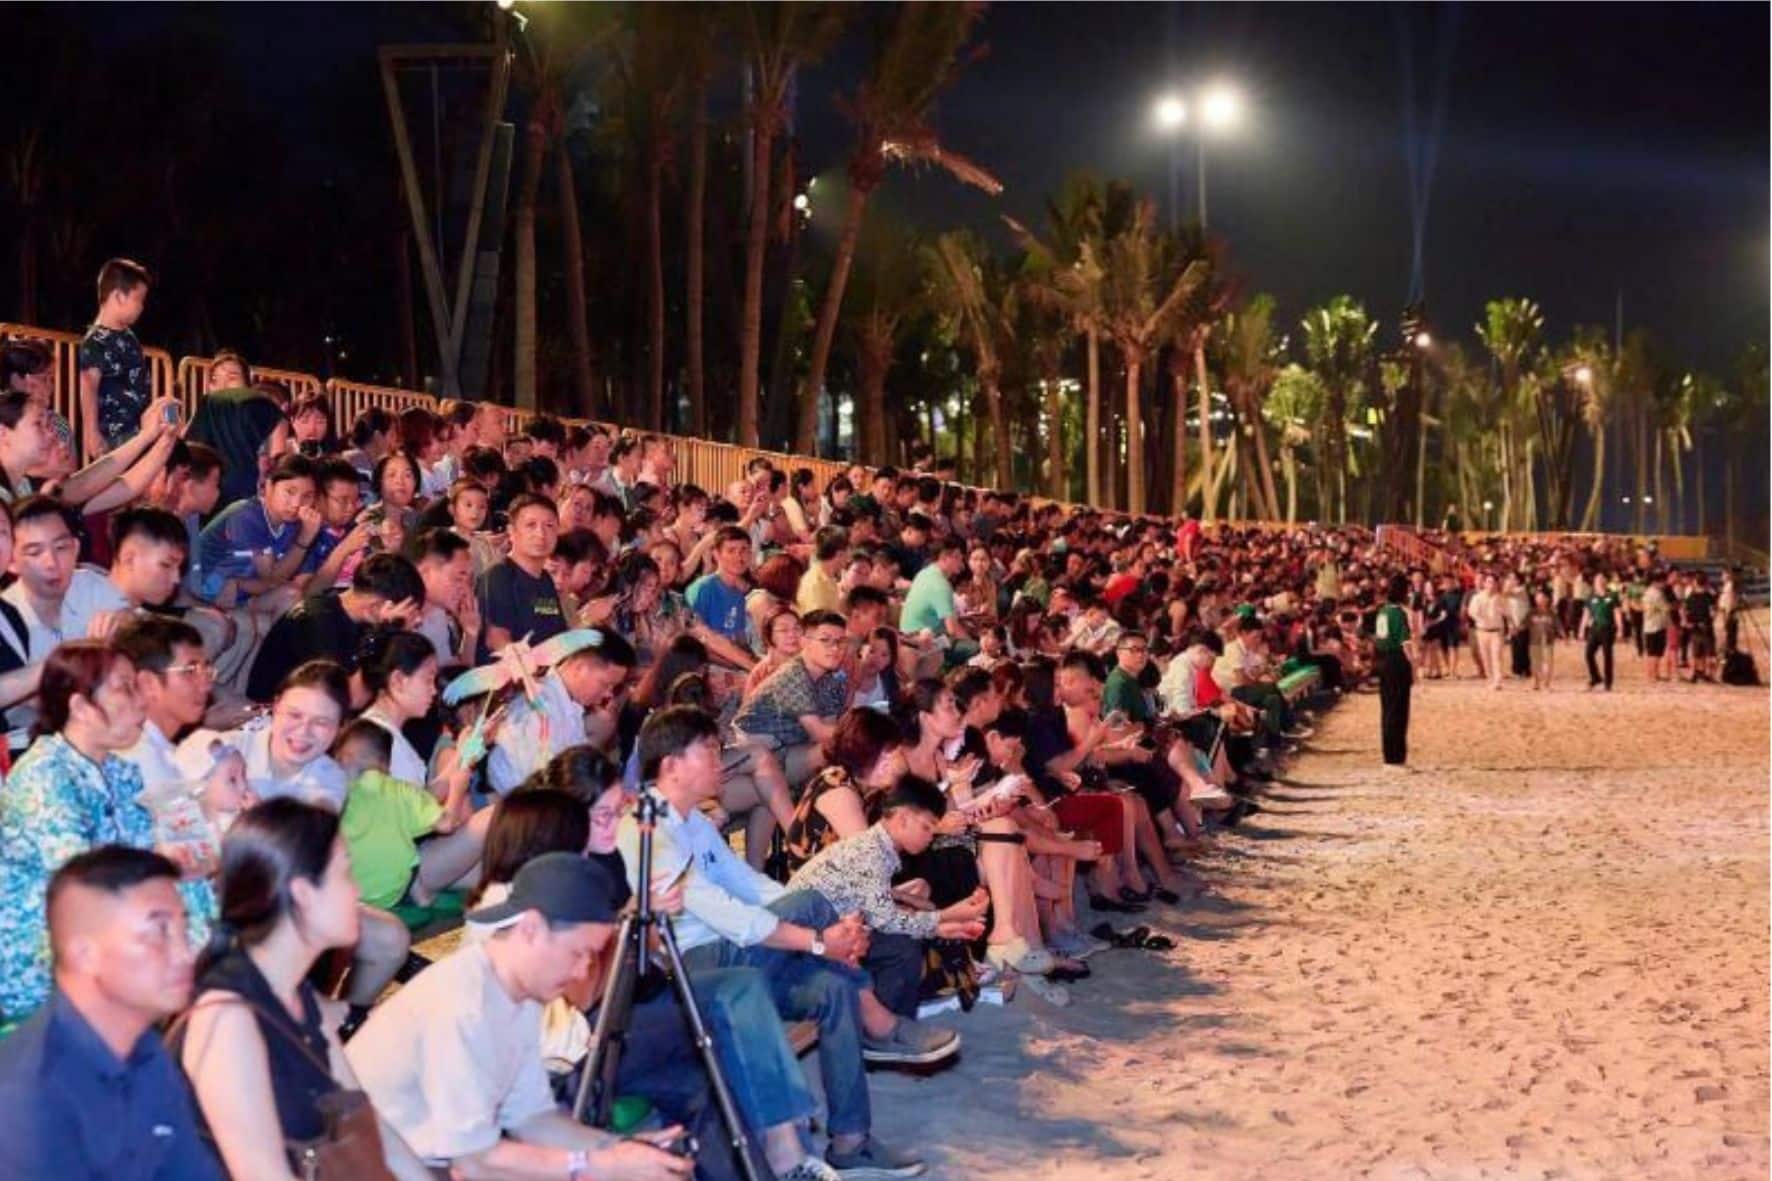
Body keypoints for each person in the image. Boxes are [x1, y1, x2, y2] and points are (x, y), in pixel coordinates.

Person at [621, 706, 942, 1177]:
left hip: (742, 955)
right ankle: (878, 1020)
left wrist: (828, 928)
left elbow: (751, 885)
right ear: (671, 764)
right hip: (696, 968)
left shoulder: (694, 822)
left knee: (833, 986)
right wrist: (818, 939)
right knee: (814, 901)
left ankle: (850, 1141)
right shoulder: (646, 827)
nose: (721, 762)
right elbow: (729, 916)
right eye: (709, 751)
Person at [345, 853, 693, 1181]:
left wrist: (620, 1149)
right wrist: (599, 1164)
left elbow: (532, 1118)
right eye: (578, 953)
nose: (582, 970)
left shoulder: (519, 997)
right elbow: (475, 1161)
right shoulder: (464, 1005)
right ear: (531, 929)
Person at [175, 799, 430, 1181]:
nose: (357, 889)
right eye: (345, 874)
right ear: (303, 893)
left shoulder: (298, 995)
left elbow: (368, 1122)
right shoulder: (227, 1019)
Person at [0, 640, 216, 1020]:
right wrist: (164, 862)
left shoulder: (119, 771)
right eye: (125, 688)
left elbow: (150, 859)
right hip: (39, 955)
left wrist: (187, 862)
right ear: (81, 707)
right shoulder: (43, 774)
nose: (141, 701)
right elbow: (81, 883)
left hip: (107, 931)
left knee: (194, 889)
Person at [0, 846, 222, 1179]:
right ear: (85, 955)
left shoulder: (146, 1052)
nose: (185, 955)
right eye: (159, 933)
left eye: (184, 931)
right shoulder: (28, 1096)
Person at [785, 774, 988, 1018]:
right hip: (806, 946)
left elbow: (879, 914)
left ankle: (891, 1022)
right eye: (926, 827)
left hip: (823, 932)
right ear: (902, 819)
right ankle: (889, 1025)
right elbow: (885, 921)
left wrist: (942, 919)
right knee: (901, 947)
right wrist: (941, 922)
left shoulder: (876, 849)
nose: (930, 836)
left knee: (903, 936)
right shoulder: (871, 853)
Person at [245, 552, 426, 704]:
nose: (417, 620)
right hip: (278, 713)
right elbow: (349, 699)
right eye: (410, 612)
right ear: (376, 607)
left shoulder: (362, 620)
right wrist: (387, 633)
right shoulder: (316, 621)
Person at [731, 608, 850, 789]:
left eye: (840, 642)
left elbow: (830, 725)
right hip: (758, 756)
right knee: (832, 749)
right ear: (804, 641)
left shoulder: (832, 678)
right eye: (825, 640)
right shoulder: (793, 674)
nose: (835, 649)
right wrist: (859, 730)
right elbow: (819, 732)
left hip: (788, 749)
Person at [77, 258, 154, 459]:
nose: (142, 307)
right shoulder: (96, 341)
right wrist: (91, 432)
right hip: (114, 436)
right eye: (139, 299)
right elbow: (88, 385)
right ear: (119, 296)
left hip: (138, 432)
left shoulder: (129, 337)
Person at [477, 493, 568, 655]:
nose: (541, 534)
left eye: (549, 526)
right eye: (531, 525)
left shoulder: (546, 579)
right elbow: (496, 639)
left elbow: (558, 635)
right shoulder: (498, 575)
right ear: (511, 531)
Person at [1374, 575, 1414, 770]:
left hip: (1383, 661)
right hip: (1396, 661)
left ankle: (1389, 756)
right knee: (1398, 710)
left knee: (1388, 709)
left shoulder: (1382, 611)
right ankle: (1396, 758)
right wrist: (1414, 665)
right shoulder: (1398, 613)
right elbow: (1405, 643)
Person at [1579, 571, 1623, 691]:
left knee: (1607, 655)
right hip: (1595, 628)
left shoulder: (1612, 596)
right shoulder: (1591, 597)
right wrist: (1581, 629)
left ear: (1606, 582)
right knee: (1588, 654)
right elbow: (1586, 614)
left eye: (1602, 580)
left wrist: (1620, 629)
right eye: (1597, 580)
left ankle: (1608, 683)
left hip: (1608, 629)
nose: (1599, 582)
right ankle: (1596, 677)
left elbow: (1617, 613)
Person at [1526, 590, 1559, 690]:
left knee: (1548, 663)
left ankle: (1546, 684)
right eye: (1537, 597)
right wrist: (1515, 630)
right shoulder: (1532, 612)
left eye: (1542, 597)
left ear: (1547, 599)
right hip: (1534, 641)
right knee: (1535, 663)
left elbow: (1558, 625)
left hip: (1548, 641)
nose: (1539, 600)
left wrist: (1565, 636)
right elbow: (1524, 624)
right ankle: (1535, 682)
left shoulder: (1551, 613)